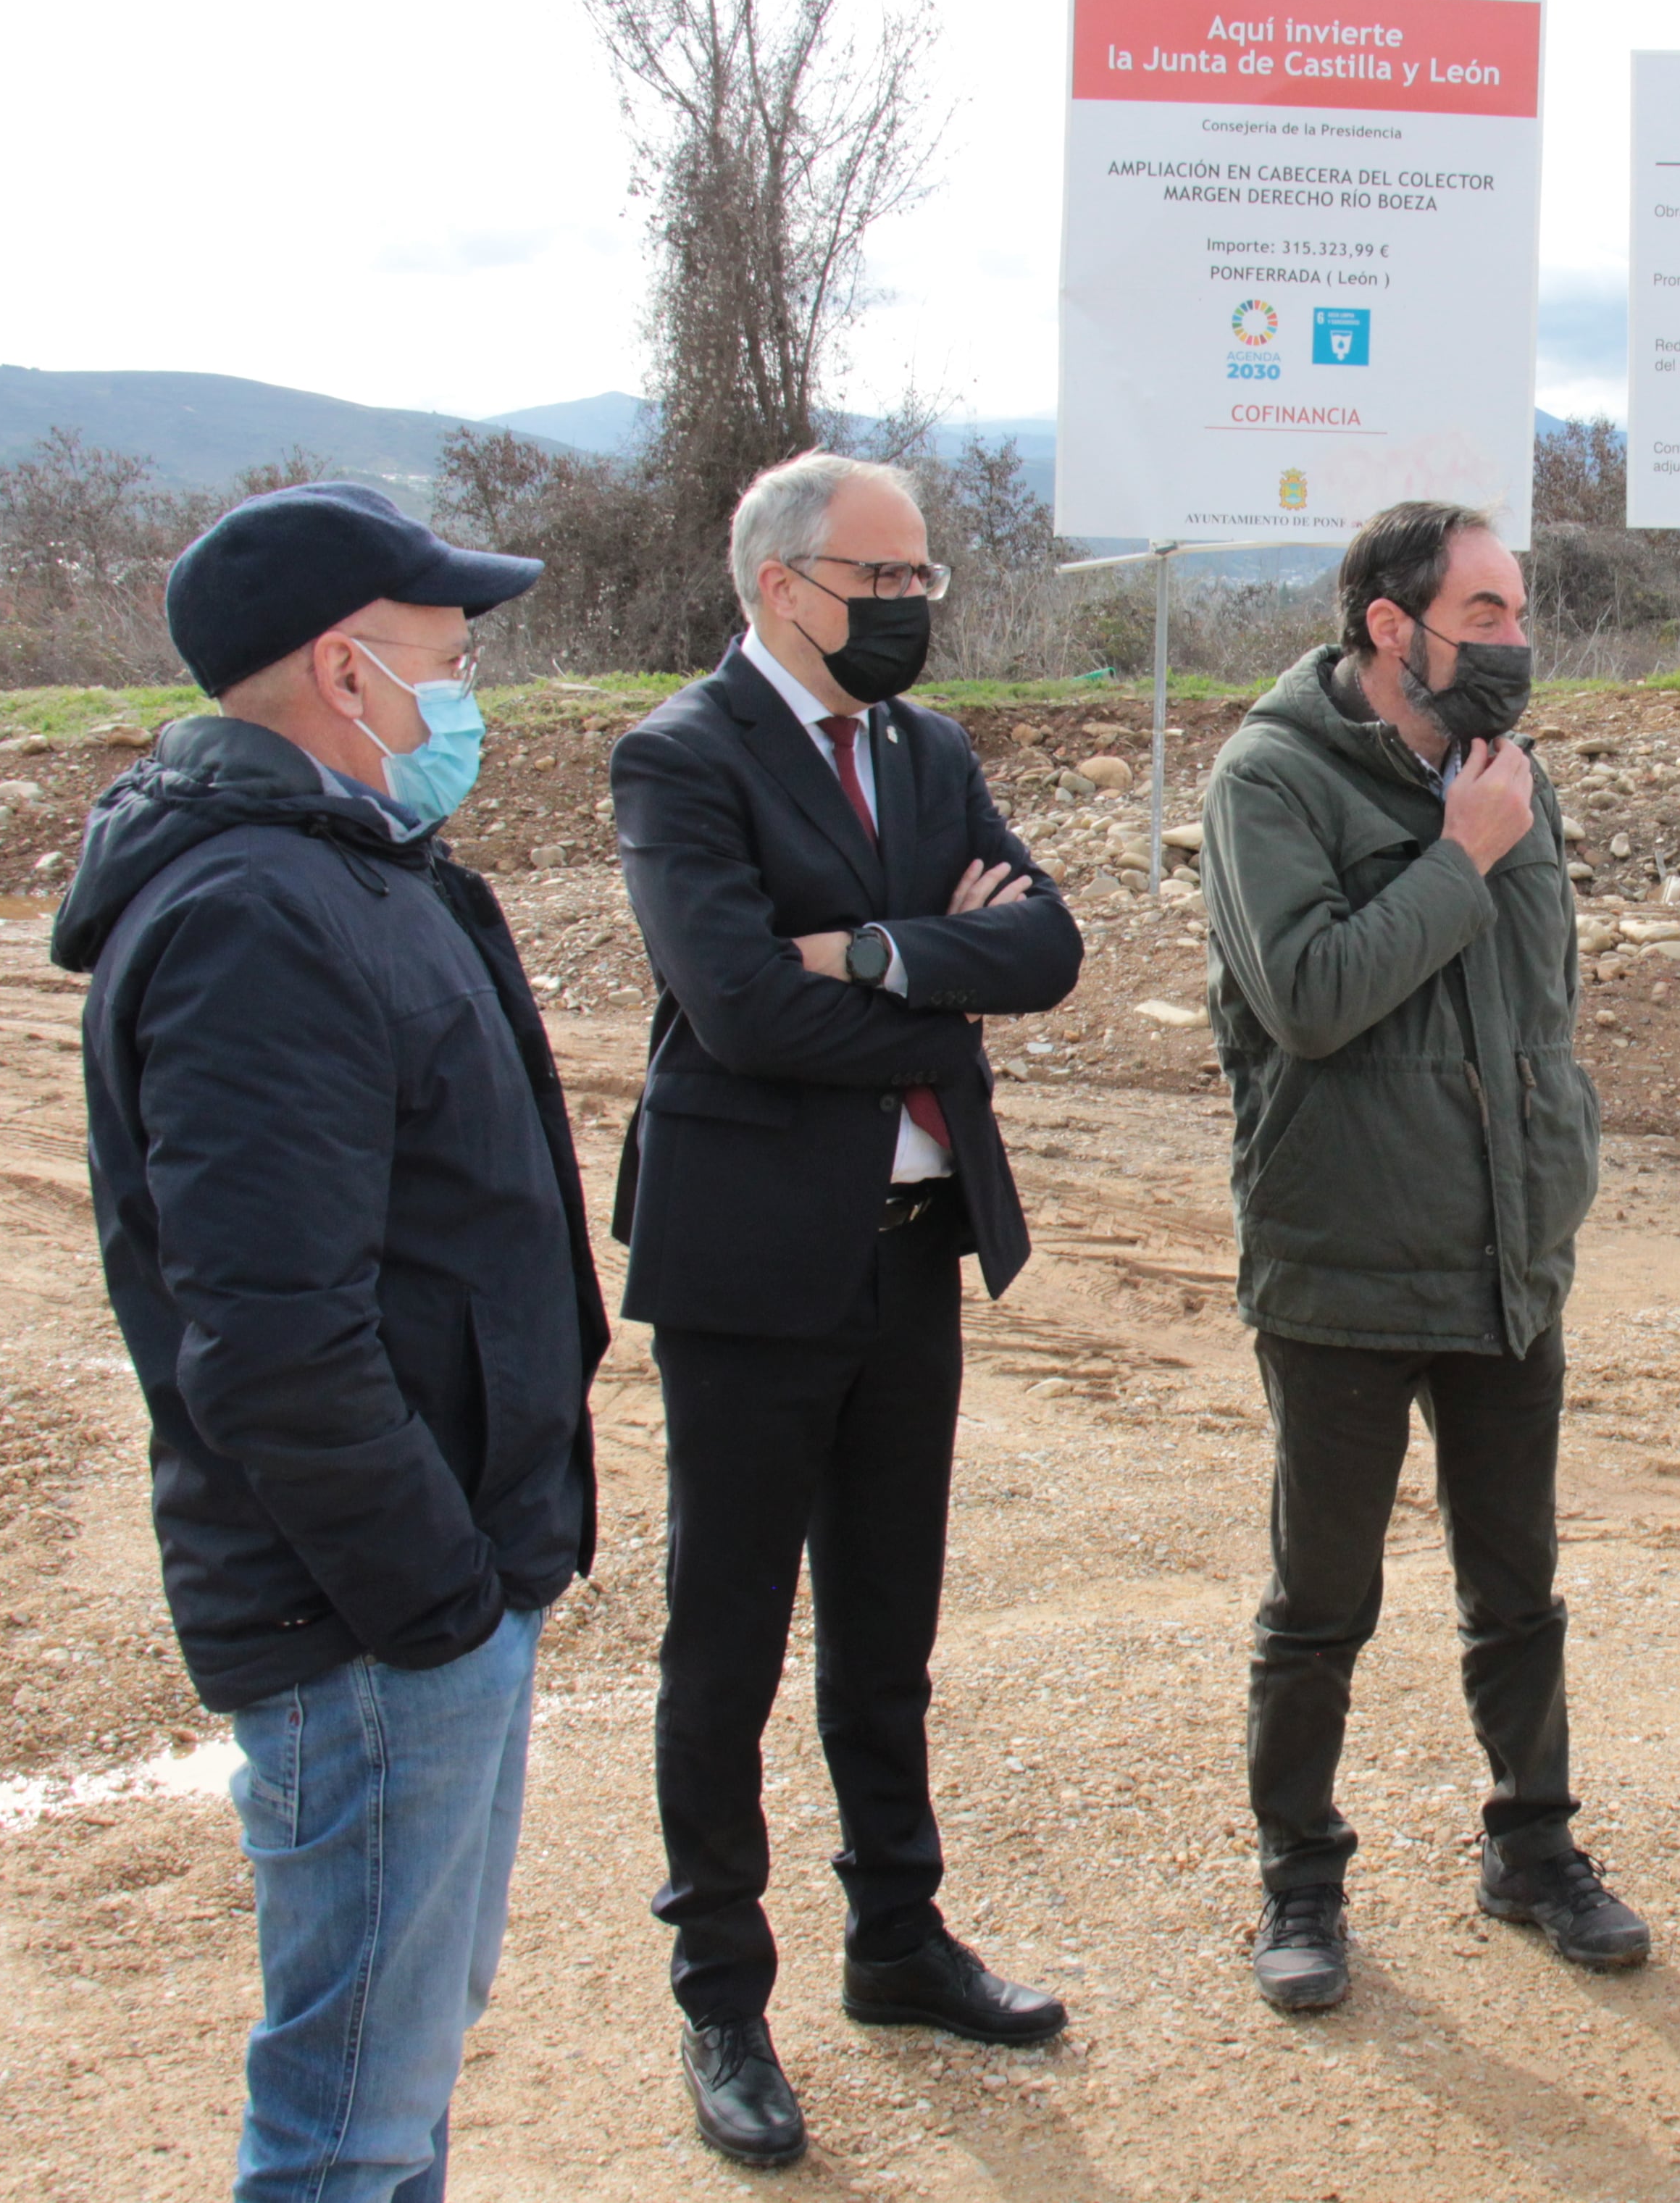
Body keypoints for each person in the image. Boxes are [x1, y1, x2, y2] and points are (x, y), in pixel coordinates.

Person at [56, 482, 607, 2203]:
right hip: (375, 1613)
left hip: (435, 1579)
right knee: (347, 2117)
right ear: (342, 668)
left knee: (400, 2069)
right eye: (448, 649)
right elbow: (274, 1338)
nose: (469, 685)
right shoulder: (254, 917)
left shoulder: (353, 870)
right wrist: (436, 1598)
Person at [609, 451, 1085, 2168]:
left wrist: (866, 952)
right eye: (877, 578)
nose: (909, 604)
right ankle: (723, 1991)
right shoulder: (680, 755)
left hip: (906, 1244)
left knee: (887, 1624)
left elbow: (1047, 947)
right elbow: (734, 1009)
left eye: (920, 576)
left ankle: (898, 1937)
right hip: (747, 1262)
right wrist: (932, 982)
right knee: (725, 1638)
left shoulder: (925, 749)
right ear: (776, 586)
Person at [1194, 498, 1644, 2014]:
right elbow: (1313, 994)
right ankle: (1300, 1881)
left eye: (1520, 610)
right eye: (1488, 611)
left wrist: (1554, 1151)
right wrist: (1459, 853)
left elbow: (1544, 999)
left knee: (1516, 1585)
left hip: (1507, 1254)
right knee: (1321, 1598)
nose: (1515, 641)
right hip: (1340, 1259)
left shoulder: (1509, 774)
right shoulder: (1268, 779)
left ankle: (1533, 1848)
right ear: (1393, 625)